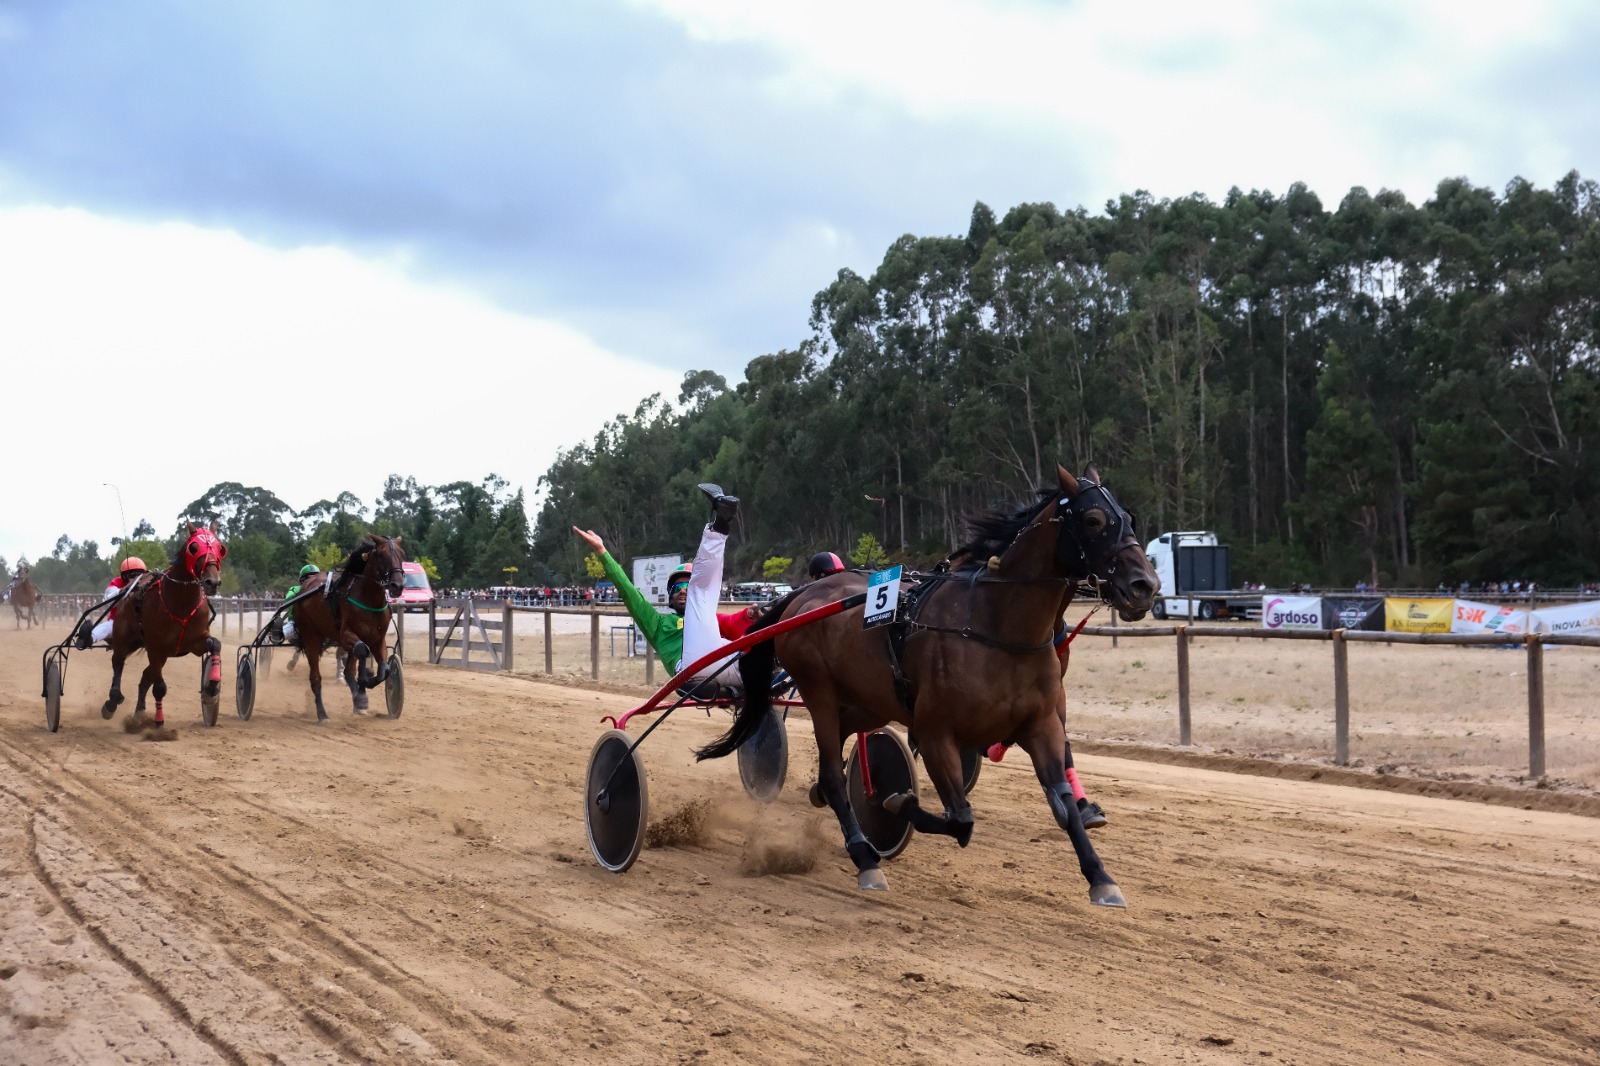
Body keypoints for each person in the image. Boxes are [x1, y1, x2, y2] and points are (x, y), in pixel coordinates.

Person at [572, 483, 742, 683]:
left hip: (726, 662)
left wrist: (755, 616)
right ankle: (720, 525)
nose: (683, 591)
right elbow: (629, 593)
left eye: (686, 586)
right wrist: (602, 552)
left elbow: (738, 624)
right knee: (702, 592)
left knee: (758, 652)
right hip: (691, 668)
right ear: (670, 596)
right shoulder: (658, 625)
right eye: (678, 587)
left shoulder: (710, 620)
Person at [78, 557, 147, 649]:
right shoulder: (116, 583)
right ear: (124, 576)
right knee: (107, 627)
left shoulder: (147, 585)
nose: (136, 579)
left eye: (139, 575)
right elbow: (108, 600)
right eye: (132, 575)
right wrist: (124, 590)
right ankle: (89, 638)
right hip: (118, 621)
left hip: (140, 622)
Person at [280, 564, 320, 646]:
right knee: (279, 635)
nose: (312, 581)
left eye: (315, 578)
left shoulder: (321, 591)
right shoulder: (295, 589)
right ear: (303, 580)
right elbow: (289, 598)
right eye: (309, 578)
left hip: (318, 624)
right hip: (296, 624)